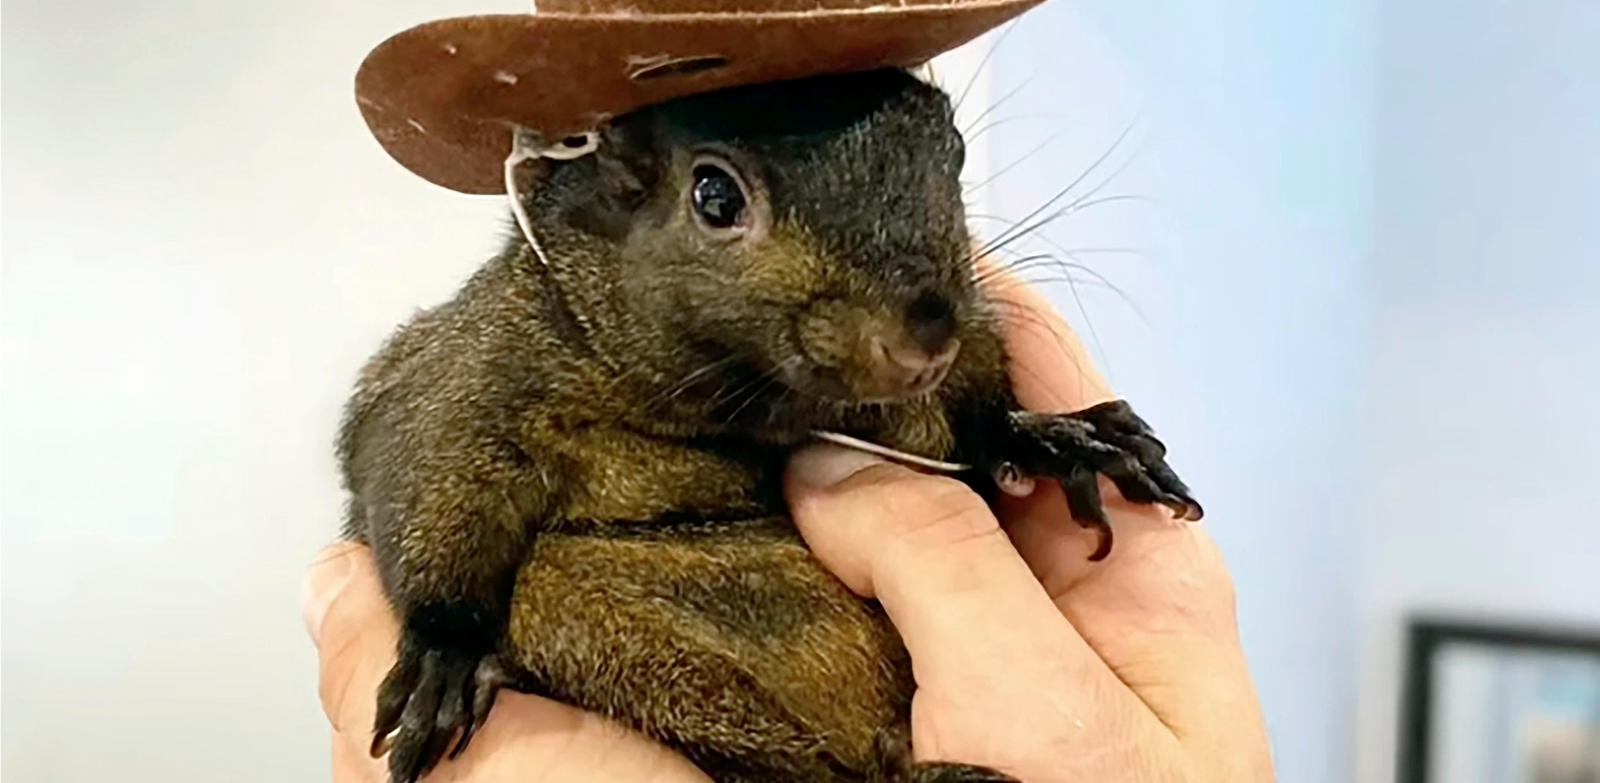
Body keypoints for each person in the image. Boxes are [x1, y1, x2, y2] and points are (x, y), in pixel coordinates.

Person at [301, 273, 1276, 783]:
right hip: (638, 613)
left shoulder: (938, 321)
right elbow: (410, 443)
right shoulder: (524, 346)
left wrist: (1005, 436)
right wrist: (448, 626)